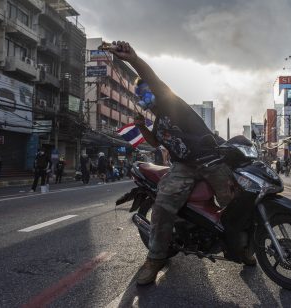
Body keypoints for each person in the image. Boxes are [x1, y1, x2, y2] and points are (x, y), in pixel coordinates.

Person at [107, 40, 253, 285]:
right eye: (139, 94)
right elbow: (155, 143)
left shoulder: (171, 103)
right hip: (182, 167)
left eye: (145, 91)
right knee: (163, 205)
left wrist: (132, 58)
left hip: (211, 159)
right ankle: (155, 258)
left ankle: (243, 247)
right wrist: (142, 126)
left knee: (235, 203)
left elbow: (151, 77)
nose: (143, 96)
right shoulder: (159, 120)